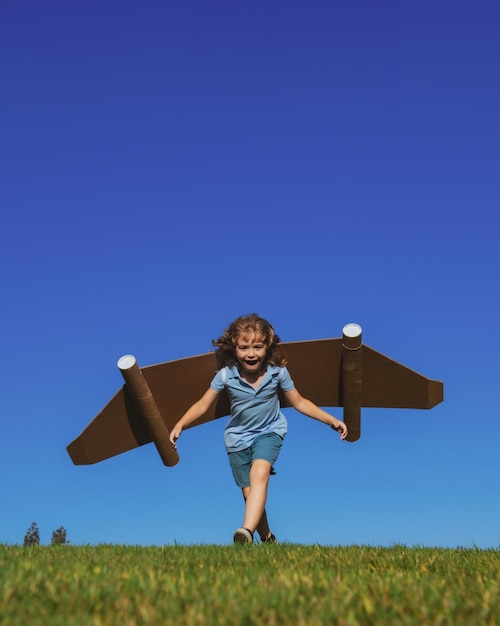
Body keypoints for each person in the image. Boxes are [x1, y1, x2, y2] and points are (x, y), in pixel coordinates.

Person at [169, 313, 348, 544]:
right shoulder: (226, 376)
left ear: (267, 348)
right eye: (244, 347)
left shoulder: (277, 373)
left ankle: (246, 531)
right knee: (249, 493)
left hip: (269, 432)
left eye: (257, 347)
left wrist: (331, 421)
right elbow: (203, 404)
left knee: (260, 473)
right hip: (237, 440)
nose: (251, 353)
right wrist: (180, 424)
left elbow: (300, 402)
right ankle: (267, 537)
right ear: (234, 350)